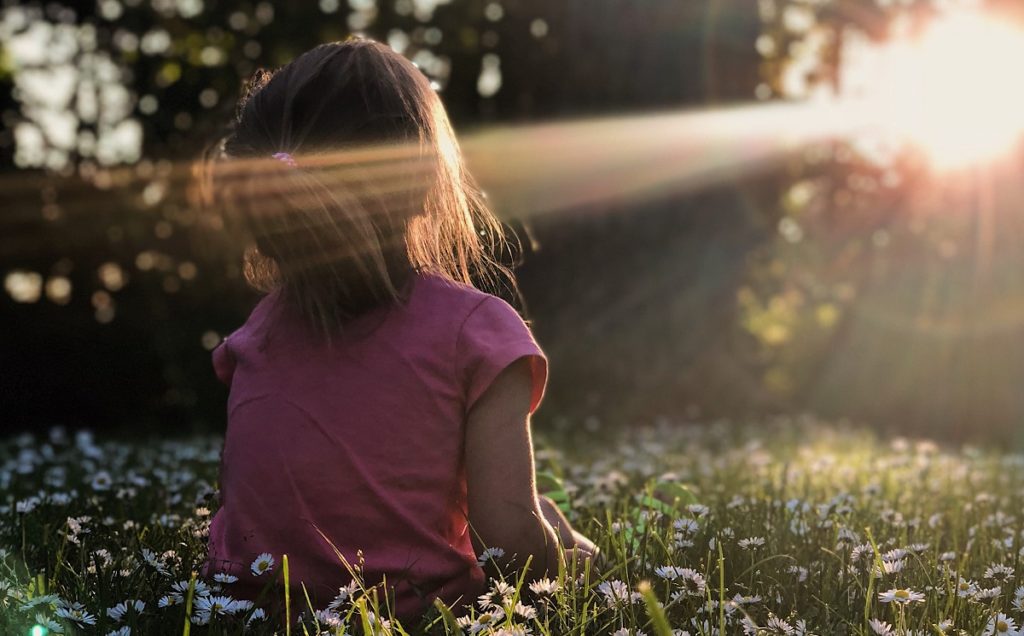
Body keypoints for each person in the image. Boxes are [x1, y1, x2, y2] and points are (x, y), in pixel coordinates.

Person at [196, 38, 596, 623]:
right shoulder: (476, 333)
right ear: (423, 182)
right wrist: (573, 558)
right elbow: (507, 544)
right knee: (546, 525)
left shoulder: (256, 336)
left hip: (245, 616)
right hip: (413, 620)